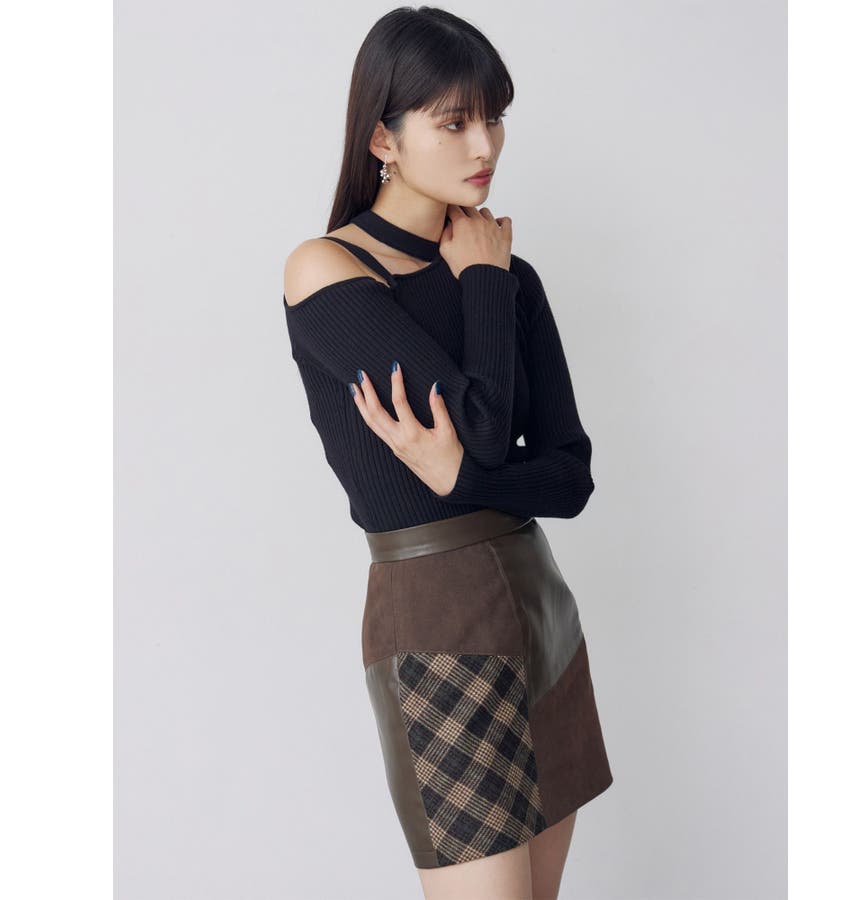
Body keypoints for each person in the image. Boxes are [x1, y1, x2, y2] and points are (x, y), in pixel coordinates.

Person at [282, 7, 613, 899]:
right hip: (434, 616)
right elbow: (485, 421)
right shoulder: (329, 270)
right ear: (382, 138)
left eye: (493, 118)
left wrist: (465, 476)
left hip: (539, 603)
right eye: (455, 121)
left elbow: (570, 476)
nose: (485, 145)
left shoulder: (507, 272)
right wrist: (482, 284)